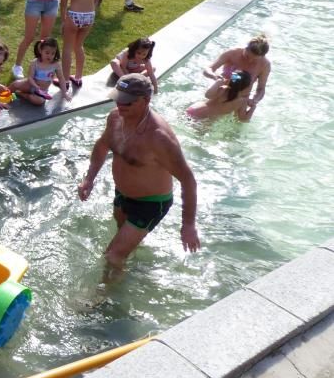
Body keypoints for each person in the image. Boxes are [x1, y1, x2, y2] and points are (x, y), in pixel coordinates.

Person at [78, 74, 199, 275]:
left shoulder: (159, 138)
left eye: (127, 102)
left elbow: (188, 180)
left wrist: (188, 225)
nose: (120, 105)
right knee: (120, 234)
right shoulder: (115, 117)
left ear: (146, 100)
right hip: (123, 193)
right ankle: (130, 255)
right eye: (118, 98)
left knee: (112, 255)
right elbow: (102, 146)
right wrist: (89, 178)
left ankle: (103, 301)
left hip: (150, 203)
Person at [60, 0, 100, 87]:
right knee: (79, 46)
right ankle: (78, 77)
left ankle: (64, 80)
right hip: (90, 16)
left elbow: (63, 3)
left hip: (73, 16)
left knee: (67, 48)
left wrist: (63, 20)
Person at [203, 35, 271, 112]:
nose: (250, 60)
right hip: (220, 94)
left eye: (254, 59)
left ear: (262, 56)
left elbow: (261, 88)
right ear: (246, 48)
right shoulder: (232, 53)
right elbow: (208, 69)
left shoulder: (265, 65)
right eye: (248, 56)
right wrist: (214, 76)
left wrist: (254, 100)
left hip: (240, 100)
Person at [11, 37, 70, 105]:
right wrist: (35, 86)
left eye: (53, 53)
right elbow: (30, 77)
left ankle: (21, 94)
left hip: (42, 91)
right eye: (47, 53)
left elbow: (61, 78)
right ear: (41, 51)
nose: (50, 56)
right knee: (15, 84)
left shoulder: (56, 65)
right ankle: (3, 99)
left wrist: (64, 92)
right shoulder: (35, 62)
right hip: (30, 85)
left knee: (39, 101)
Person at [186, 70, 255, 122]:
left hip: (193, 109)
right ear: (246, 87)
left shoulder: (222, 89)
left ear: (231, 80)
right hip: (204, 120)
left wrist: (218, 82)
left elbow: (207, 95)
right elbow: (243, 119)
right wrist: (253, 107)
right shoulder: (242, 101)